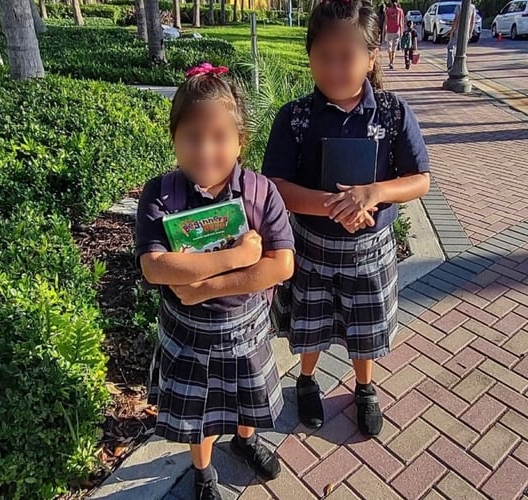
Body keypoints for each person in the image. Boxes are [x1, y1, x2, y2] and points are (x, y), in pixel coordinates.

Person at [261, 0, 431, 438]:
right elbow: (274, 185)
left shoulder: (393, 114)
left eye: (347, 57)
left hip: (370, 250)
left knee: (364, 326)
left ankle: (365, 386)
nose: (335, 69)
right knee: (312, 323)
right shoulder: (296, 118)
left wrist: (374, 193)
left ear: (371, 56)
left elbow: (419, 180)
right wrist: (333, 205)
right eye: (324, 57)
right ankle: (306, 379)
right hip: (312, 246)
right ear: (310, 55)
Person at [136, 62, 296, 500]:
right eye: (192, 137)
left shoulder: (261, 191)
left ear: (240, 142)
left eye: (220, 137)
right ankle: (203, 471)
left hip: (245, 329)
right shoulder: (161, 193)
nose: (206, 150)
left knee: (247, 396)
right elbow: (155, 267)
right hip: (189, 336)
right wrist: (239, 255)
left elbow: (281, 265)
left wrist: (202, 286)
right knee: (200, 413)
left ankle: (245, 439)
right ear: (174, 139)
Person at [446, 1, 476, 70]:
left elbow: (456, 19)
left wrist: (452, 31)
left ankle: (450, 65)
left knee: (450, 47)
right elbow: (472, 21)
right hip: (466, 31)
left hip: (457, 31)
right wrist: (470, 32)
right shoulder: (472, 7)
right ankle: (461, 66)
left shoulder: (459, 6)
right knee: (462, 50)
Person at [383, 0, 404, 69]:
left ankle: (390, 61)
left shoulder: (388, 11)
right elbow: (401, 22)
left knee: (389, 47)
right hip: (397, 31)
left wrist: (384, 30)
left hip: (389, 31)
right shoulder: (400, 11)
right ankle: (392, 61)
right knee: (394, 48)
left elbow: (385, 21)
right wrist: (401, 32)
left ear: (391, 3)